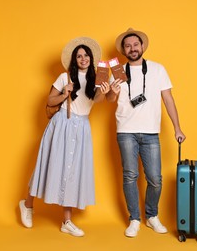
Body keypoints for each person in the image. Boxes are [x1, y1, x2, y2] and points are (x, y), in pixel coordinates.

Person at [19, 37, 110, 237]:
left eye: (86, 55)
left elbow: (98, 100)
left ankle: (66, 221)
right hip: (61, 123)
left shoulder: (99, 78)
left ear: (92, 58)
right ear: (74, 60)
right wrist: (65, 93)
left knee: (73, 171)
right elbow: (50, 99)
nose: (83, 58)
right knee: (47, 164)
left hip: (82, 126)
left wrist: (105, 92)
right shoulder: (65, 76)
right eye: (79, 56)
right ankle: (27, 204)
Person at [106, 28, 186, 237]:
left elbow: (168, 99)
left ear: (142, 46)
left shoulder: (157, 69)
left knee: (155, 178)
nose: (132, 48)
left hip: (151, 132)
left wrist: (177, 127)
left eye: (135, 44)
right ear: (123, 50)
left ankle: (151, 216)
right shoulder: (117, 70)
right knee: (130, 176)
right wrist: (111, 93)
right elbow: (109, 101)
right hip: (126, 131)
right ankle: (134, 219)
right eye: (128, 45)